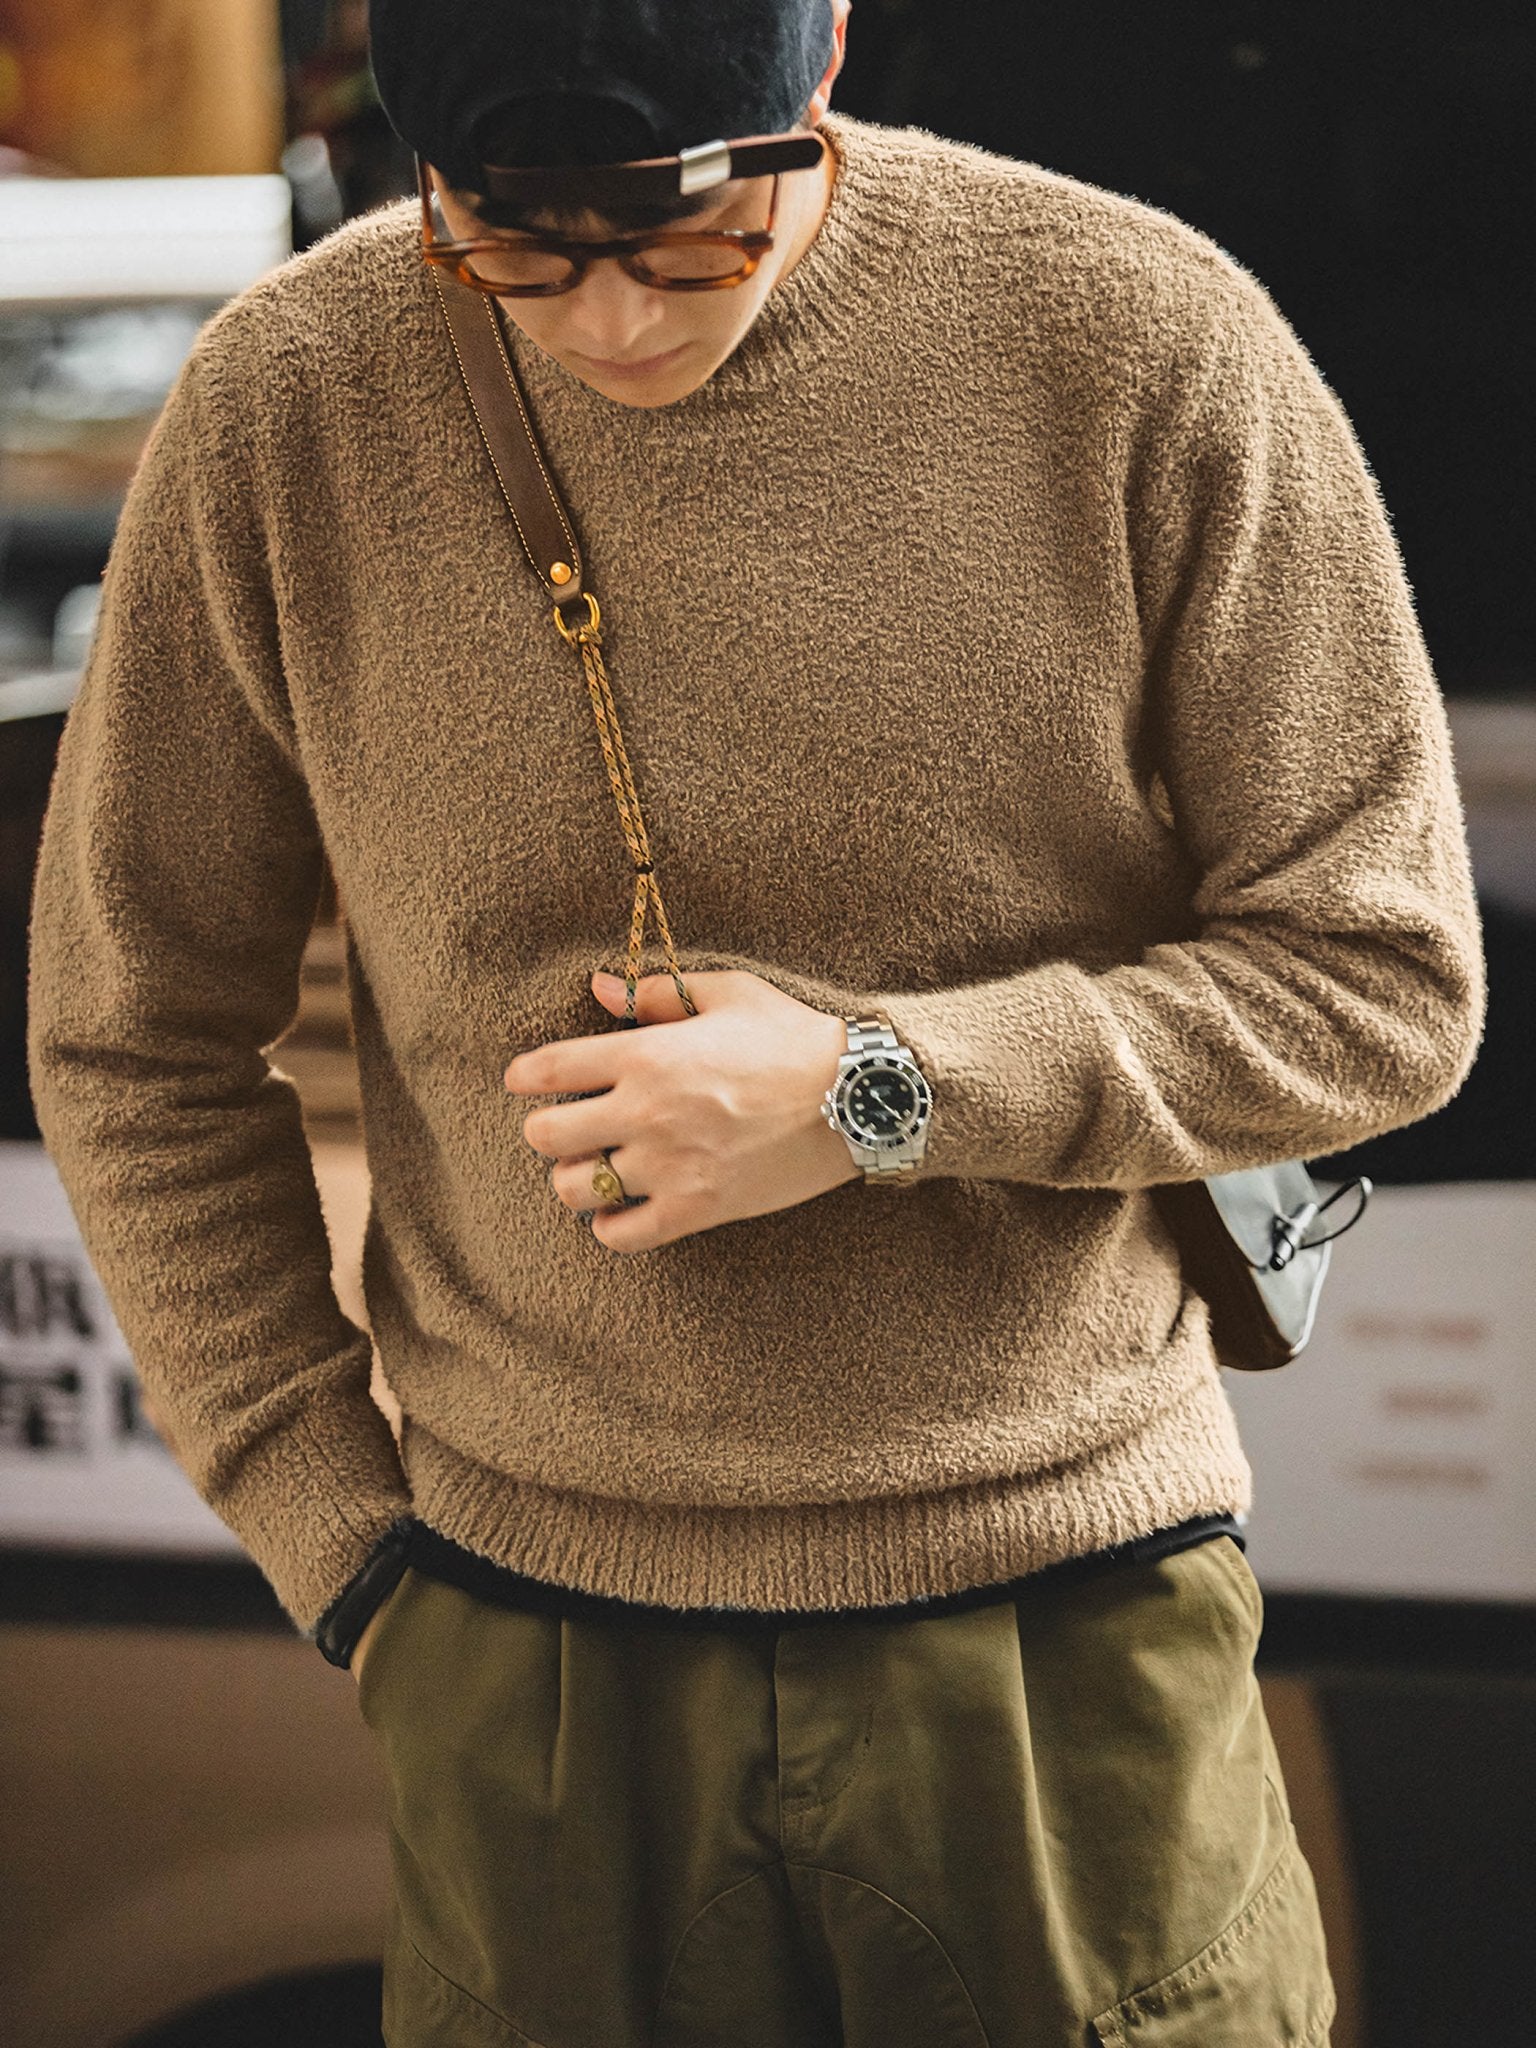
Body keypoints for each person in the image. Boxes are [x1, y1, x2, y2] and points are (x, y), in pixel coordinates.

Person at [27, 1, 1485, 2041]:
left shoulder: (1139, 343)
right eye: (514, 246)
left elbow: (1381, 977)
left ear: (821, 71)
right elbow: (131, 1032)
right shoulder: (296, 399)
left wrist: (878, 1088)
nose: (610, 319)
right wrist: (334, 1531)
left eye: (685, 228)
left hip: (1057, 1625)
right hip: (527, 1654)